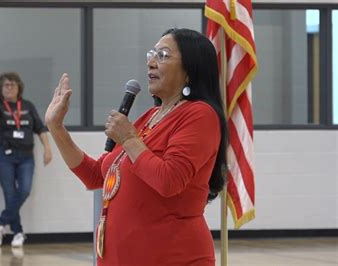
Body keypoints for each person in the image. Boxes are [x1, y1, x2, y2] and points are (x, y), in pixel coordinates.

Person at [45, 28, 228, 265]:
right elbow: (95, 176)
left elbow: (169, 180)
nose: (151, 62)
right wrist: (56, 127)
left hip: (172, 257)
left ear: (190, 72)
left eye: (162, 55)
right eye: (151, 54)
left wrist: (129, 139)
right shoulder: (149, 117)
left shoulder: (200, 115)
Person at [0, 72, 53, 247]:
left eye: (12, 84)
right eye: (5, 85)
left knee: (24, 190)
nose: (9, 87)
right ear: (0, 89)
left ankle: (0, 223)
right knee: (10, 193)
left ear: (19, 87)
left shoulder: (27, 106)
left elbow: (40, 128)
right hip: (3, 155)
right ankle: (18, 232)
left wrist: (48, 149)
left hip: (26, 156)